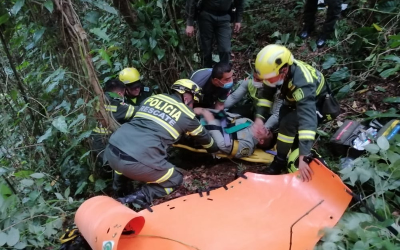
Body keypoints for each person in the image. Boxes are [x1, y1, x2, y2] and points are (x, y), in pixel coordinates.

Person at [104, 79, 219, 206]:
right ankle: (131, 200)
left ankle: (119, 193)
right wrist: (215, 149)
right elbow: (206, 140)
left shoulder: (152, 99)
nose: (193, 105)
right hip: (137, 159)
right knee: (175, 179)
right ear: (186, 97)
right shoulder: (187, 114)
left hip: (112, 149)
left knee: (122, 162)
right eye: (194, 101)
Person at [252, 44, 330, 182]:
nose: (267, 81)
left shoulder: (303, 83)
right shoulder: (275, 72)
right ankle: (280, 160)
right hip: (292, 99)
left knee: (290, 123)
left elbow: (308, 120)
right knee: (284, 122)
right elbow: (265, 95)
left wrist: (303, 156)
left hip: (317, 104)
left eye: (270, 78)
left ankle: (293, 157)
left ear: (284, 70)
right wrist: (259, 118)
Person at [194, 108, 276, 158]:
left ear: (261, 140)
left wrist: (210, 121)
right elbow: (225, 115)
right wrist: (204, 110)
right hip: (201, 117)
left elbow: (223, 145)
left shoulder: (248, 145)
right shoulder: (249, 122)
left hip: (199, 132)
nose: (265, 128)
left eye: (267, 132)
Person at [185, 0, 245, 67]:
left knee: (225, 49)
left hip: (224, 17)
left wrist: (238, 20)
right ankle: (207, 73)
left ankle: (224, 73)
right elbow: (191, 1)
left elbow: (240, 2)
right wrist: (190, 23)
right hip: (206, 15)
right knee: (206, 50)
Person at [90, 79, 136, 164]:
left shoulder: (98, 99)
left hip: (95, 138)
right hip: (104, 140)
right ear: (119, 93)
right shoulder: (114, 103)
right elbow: (136, 111)